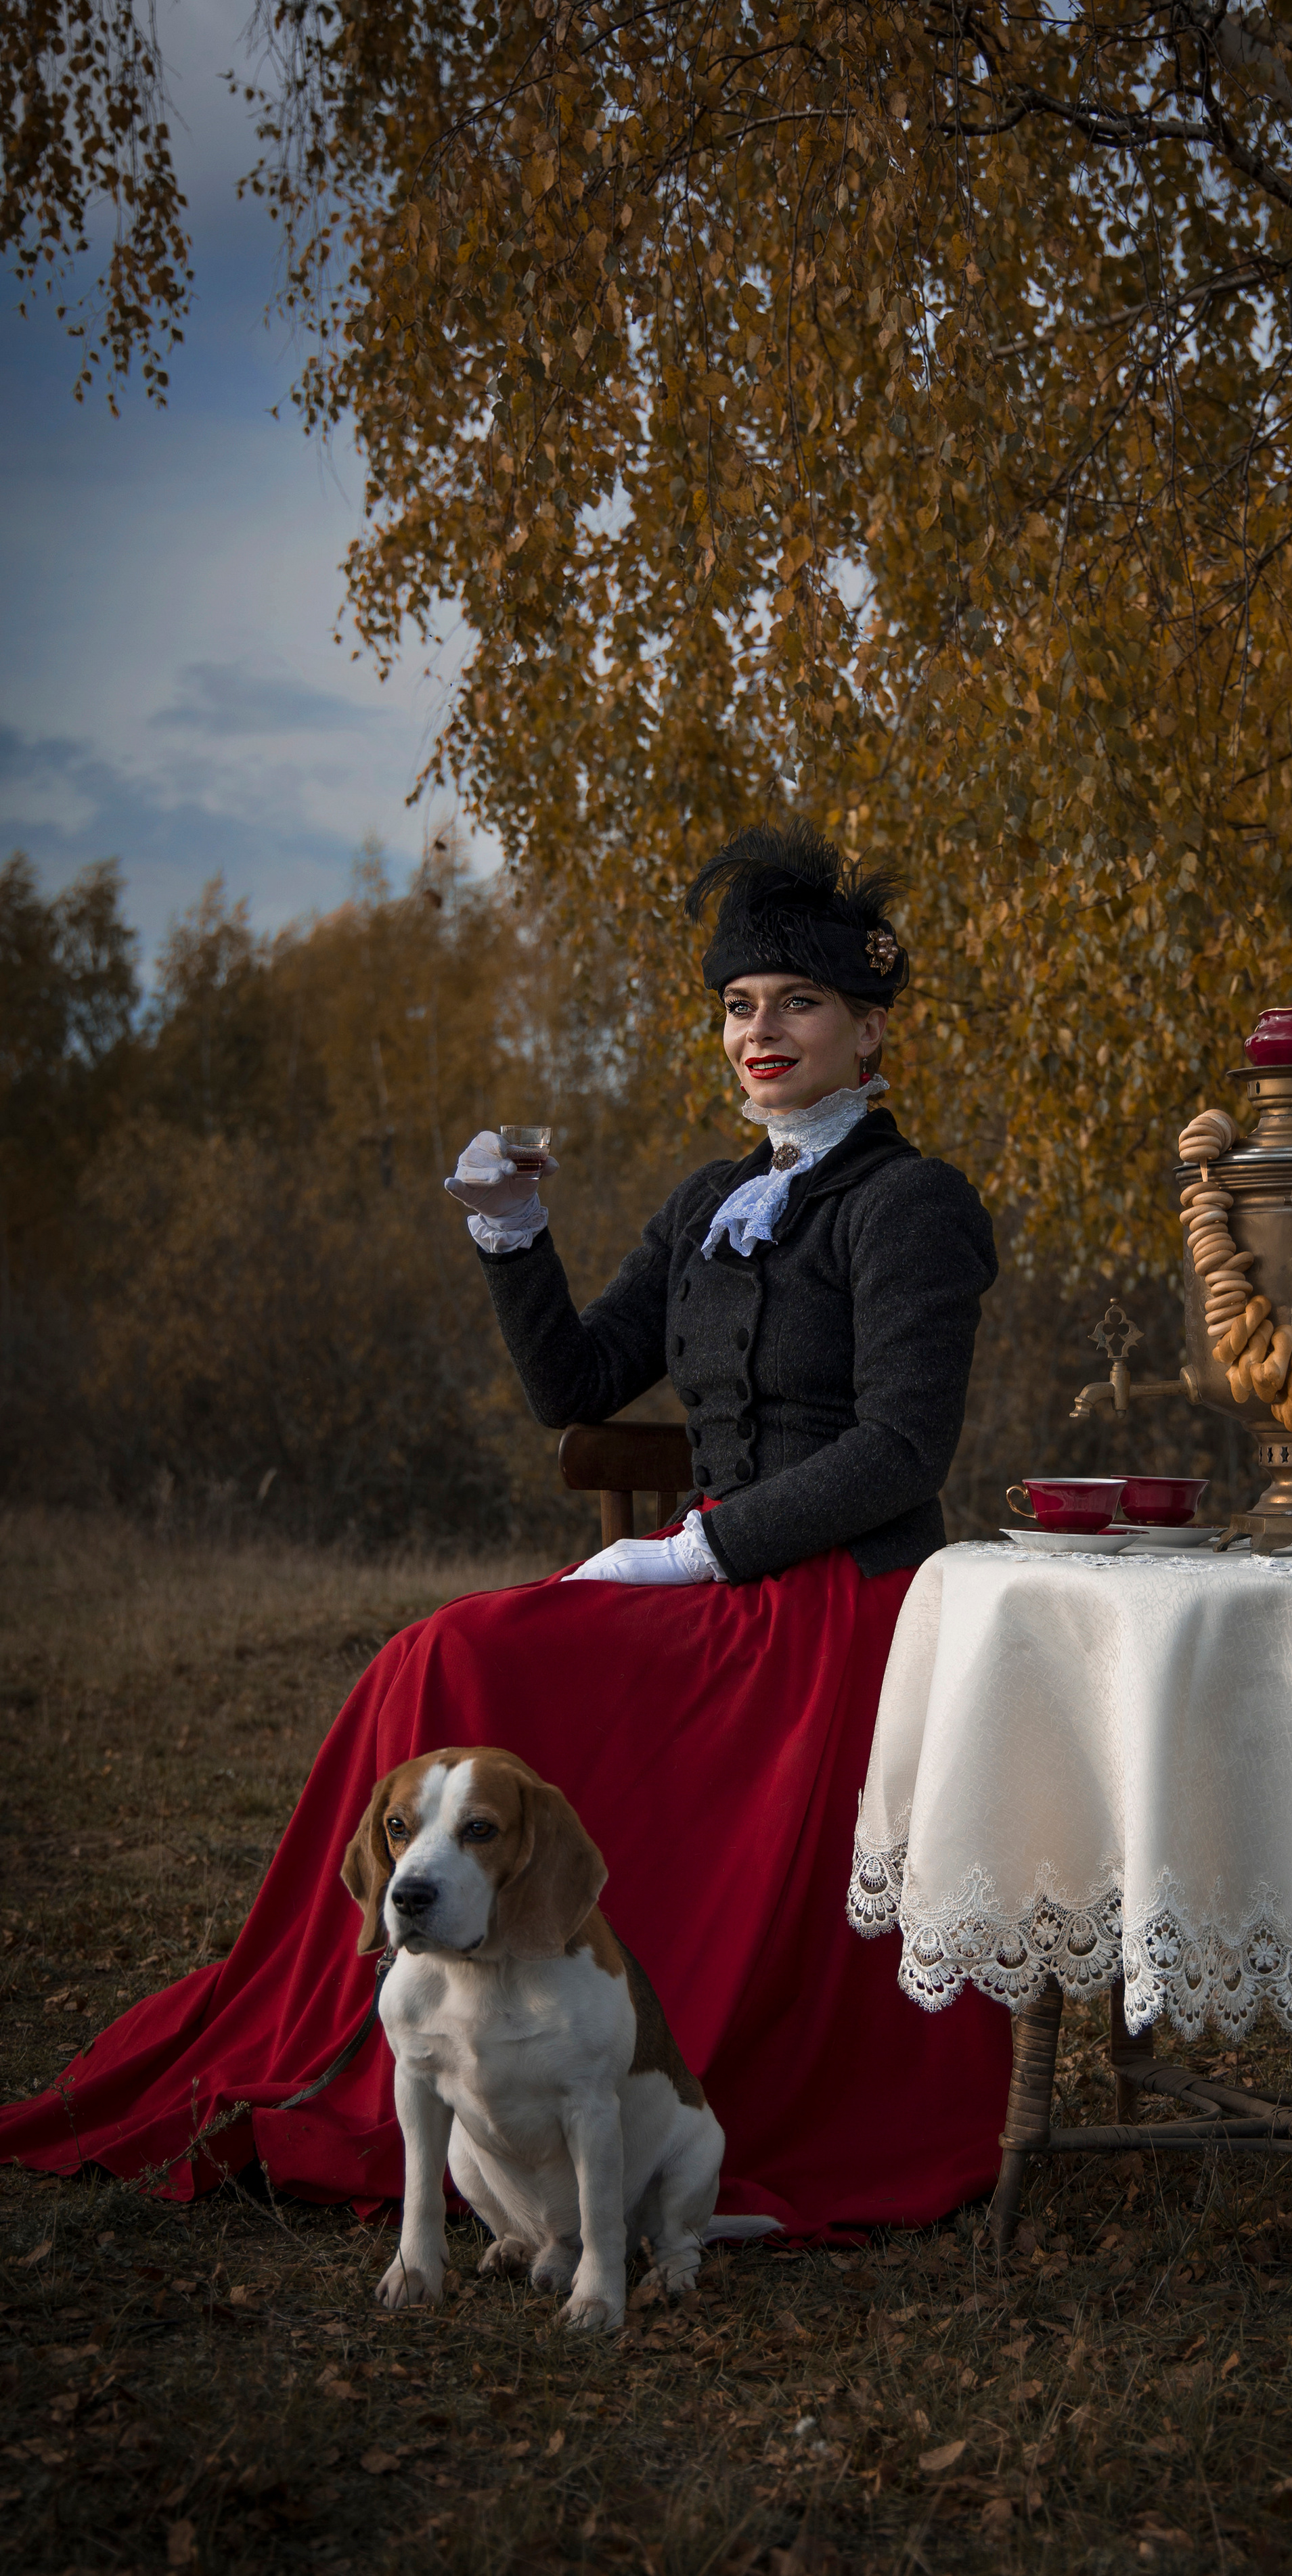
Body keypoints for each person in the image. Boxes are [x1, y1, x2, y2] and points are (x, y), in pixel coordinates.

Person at [0, 823, 1011, 2238]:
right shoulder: (711, 1199)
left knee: (456, 1651)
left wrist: (697, 1549)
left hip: (839, 1596)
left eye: (796, 1001)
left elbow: (900, 1449)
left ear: (866, 1028)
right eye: (737, 1004)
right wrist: (511, 1232)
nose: (760, 1030)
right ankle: (359, 2020)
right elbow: (577, 1385)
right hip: (720, 1581)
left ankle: (485, 2037)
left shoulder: (912, 1203)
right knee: (433, 1660)